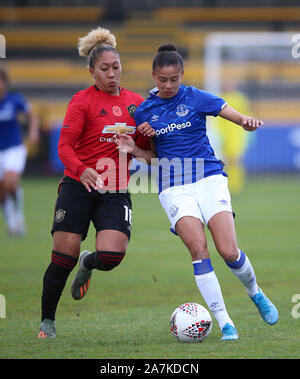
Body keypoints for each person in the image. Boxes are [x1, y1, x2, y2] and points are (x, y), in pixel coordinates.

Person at [116, 44, 278, 341]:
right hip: (174, 187)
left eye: (174, 79)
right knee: (198, 250)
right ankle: (226, 322)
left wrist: (246, 122)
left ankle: (255, 292)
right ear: (153, 76)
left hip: (209, 178)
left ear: (181, 75)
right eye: (162, 80)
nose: (168, 85)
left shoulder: (196, 97)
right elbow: (153, 159)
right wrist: (135, 148)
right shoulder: (144, 111)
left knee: (229, 251)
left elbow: (233, 114)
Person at [38, 27, 154, 338]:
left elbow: (150, 155)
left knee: (113, 255)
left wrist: (142, 148)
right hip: (78, 186)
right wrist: (81, 169)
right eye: (104, 69)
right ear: (92, 72)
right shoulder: (82, 102)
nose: (112, 73)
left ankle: (89, 261)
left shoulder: (136, 104)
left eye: (116, 67)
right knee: (63, 257)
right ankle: (47, 323)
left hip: (115, 190)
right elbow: (64, 147)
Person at [0, 66, 39, 237]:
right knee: (3, 190)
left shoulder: (14, 100)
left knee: (9, 182)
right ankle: (12, 222)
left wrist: (33, 131)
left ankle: (19, 218)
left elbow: (32, 114)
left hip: (14, 148)